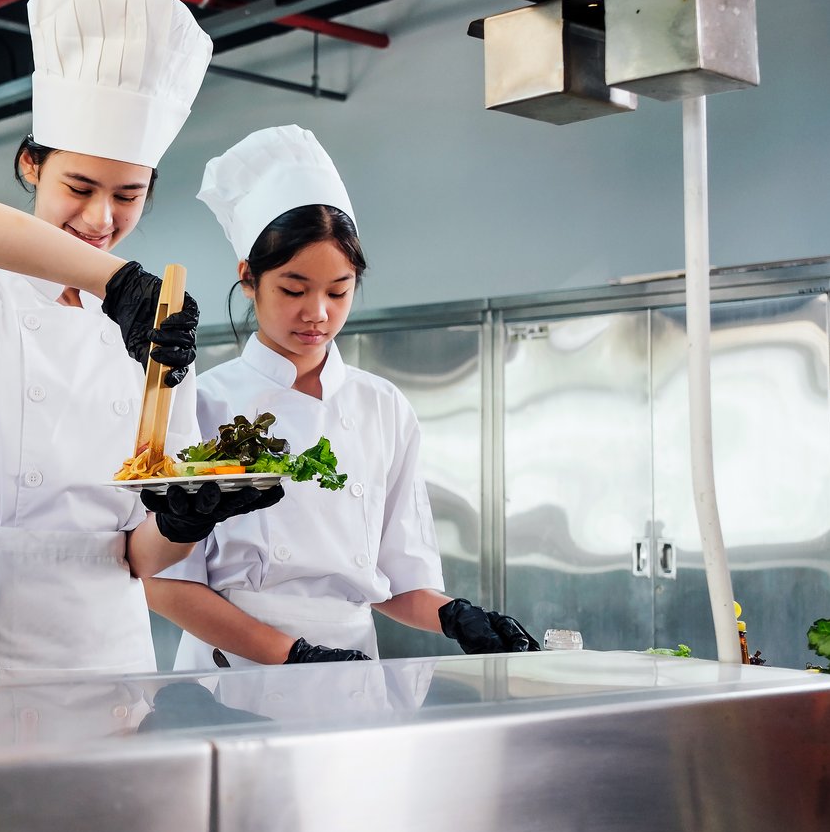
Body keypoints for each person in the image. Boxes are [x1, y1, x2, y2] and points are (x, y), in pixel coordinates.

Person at [0, 0, 283, 683]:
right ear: (30, 163)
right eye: (80, 188)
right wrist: (116, 281)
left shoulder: (160, 326)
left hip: (106, 647)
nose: (103, 219)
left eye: (128, 195)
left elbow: (140, 556)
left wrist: (185, 521)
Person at [146, 126, 539, 668]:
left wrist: (457, 617)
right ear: (248, 279)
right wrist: (293, 655)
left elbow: (399, 583)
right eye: (293, 288)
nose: (318, 313)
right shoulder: (199, 403)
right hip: (233, 671)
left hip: (352, 664)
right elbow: (166, 585)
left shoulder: (384, 408)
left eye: (338, 290)